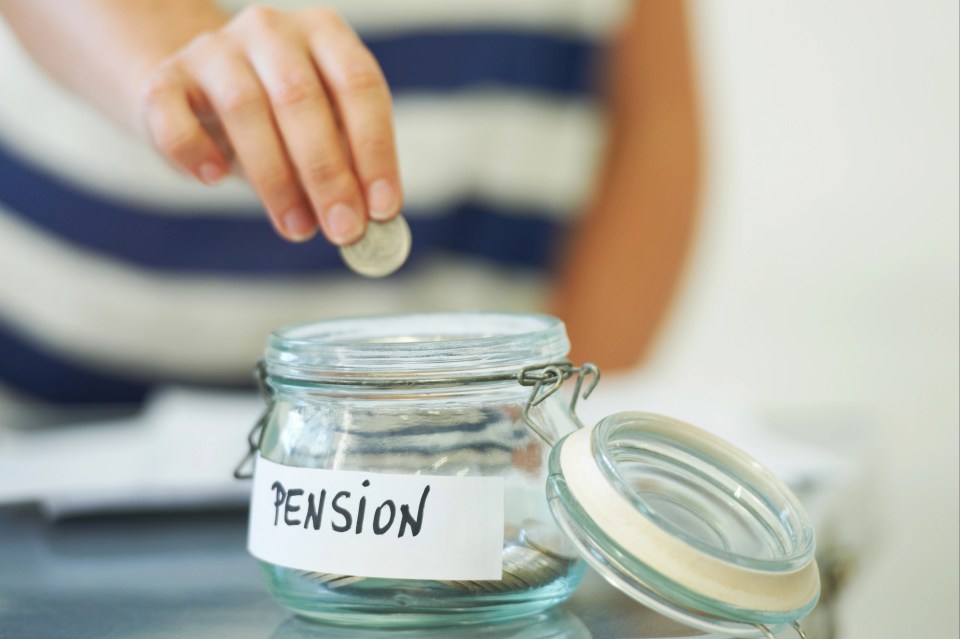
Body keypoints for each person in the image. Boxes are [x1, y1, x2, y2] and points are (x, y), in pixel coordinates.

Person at [0, 1, 699, 413]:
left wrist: (551, 430)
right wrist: (171, 56)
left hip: (445, 445)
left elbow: (651, 123)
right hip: (69, 420)